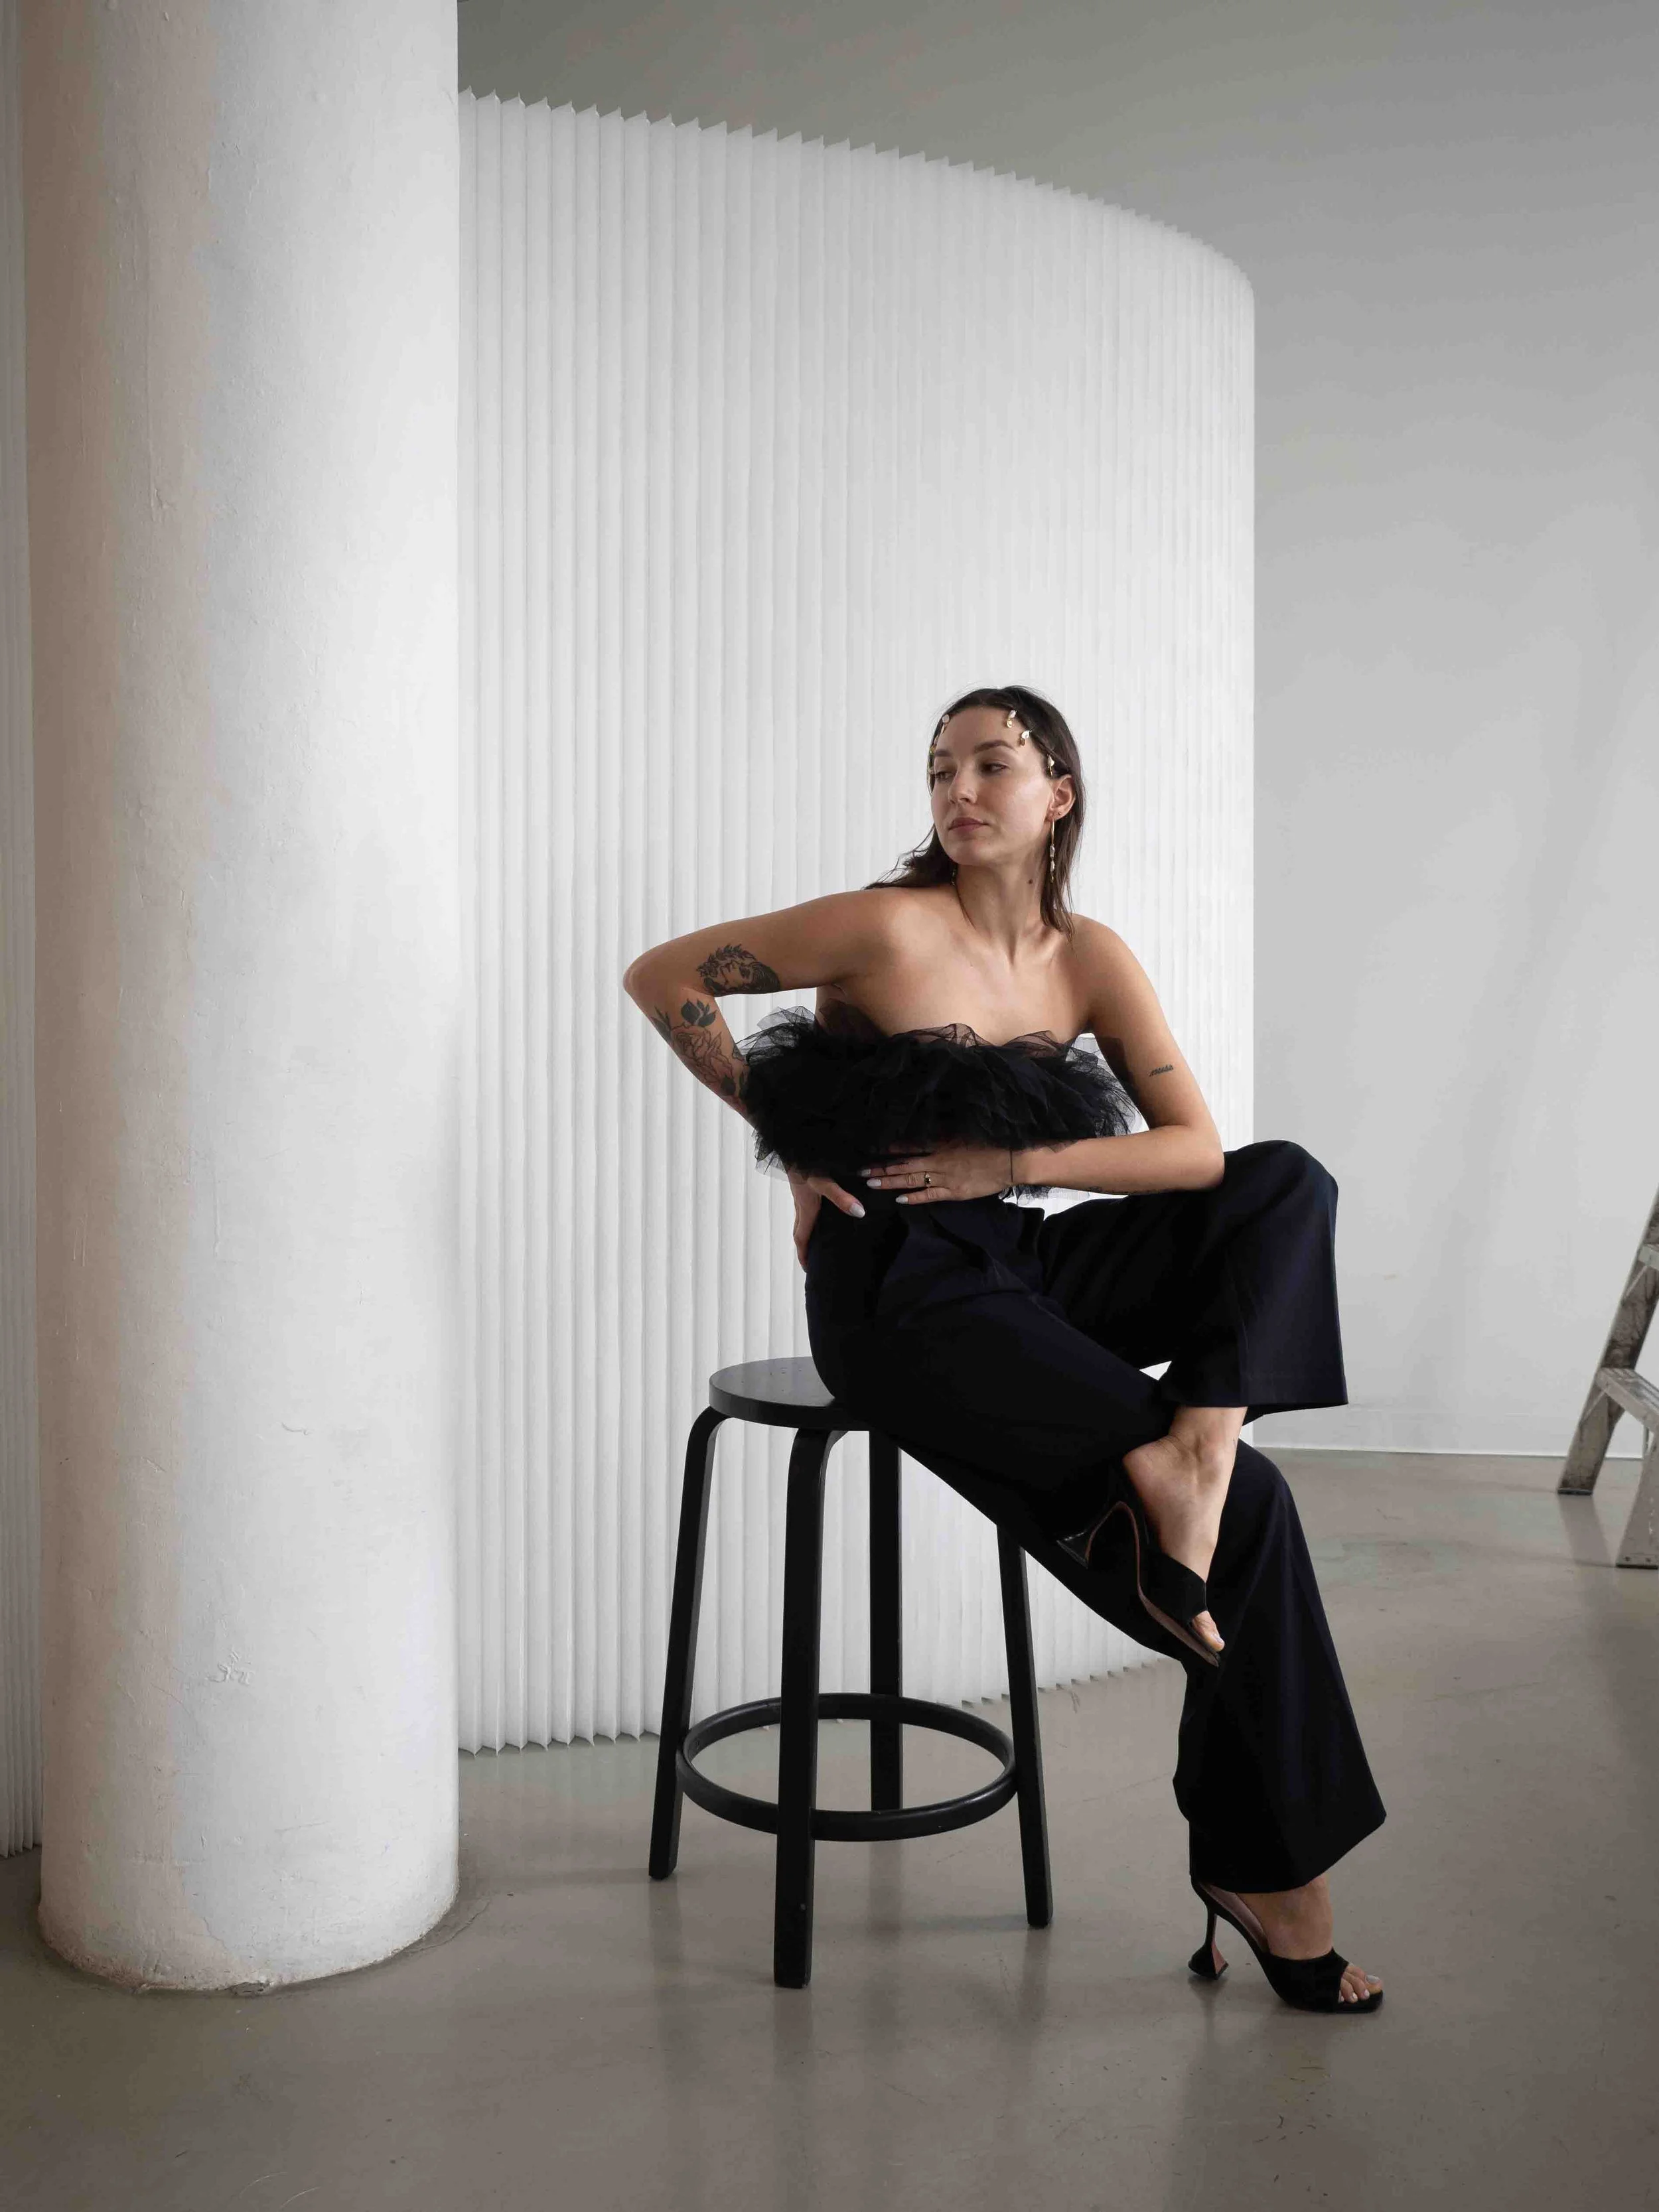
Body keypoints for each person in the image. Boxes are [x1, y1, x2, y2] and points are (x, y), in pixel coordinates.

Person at [622, 683, 1385, 2013]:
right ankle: (1266, 1873)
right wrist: (798, 1143)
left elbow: (1192, 1152)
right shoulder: (881, 924)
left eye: (991, 763)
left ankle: (1195, 1446)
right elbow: (663, 975)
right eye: (938, 768)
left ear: (1058, 795)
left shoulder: (1087, 954)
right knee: (1254, 1521)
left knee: (1284, 1182)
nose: (957, 789)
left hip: (1009, 1249)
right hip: (896, 1280)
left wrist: (1016, 1159)